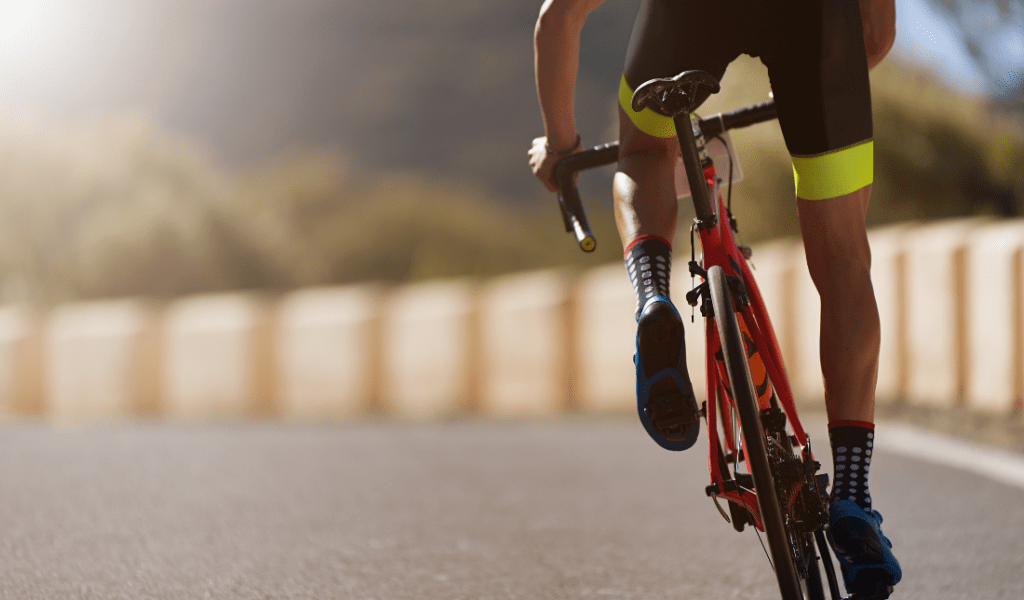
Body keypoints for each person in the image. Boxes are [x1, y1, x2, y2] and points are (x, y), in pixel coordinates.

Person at [528, 0, 901, 597]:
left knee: (645, 151)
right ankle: (853, 493)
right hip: (817, 22)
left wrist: (560, 142)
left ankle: (653, 293)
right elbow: (875, 37)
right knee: (843, 262)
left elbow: (559, 15)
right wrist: (820, 92)